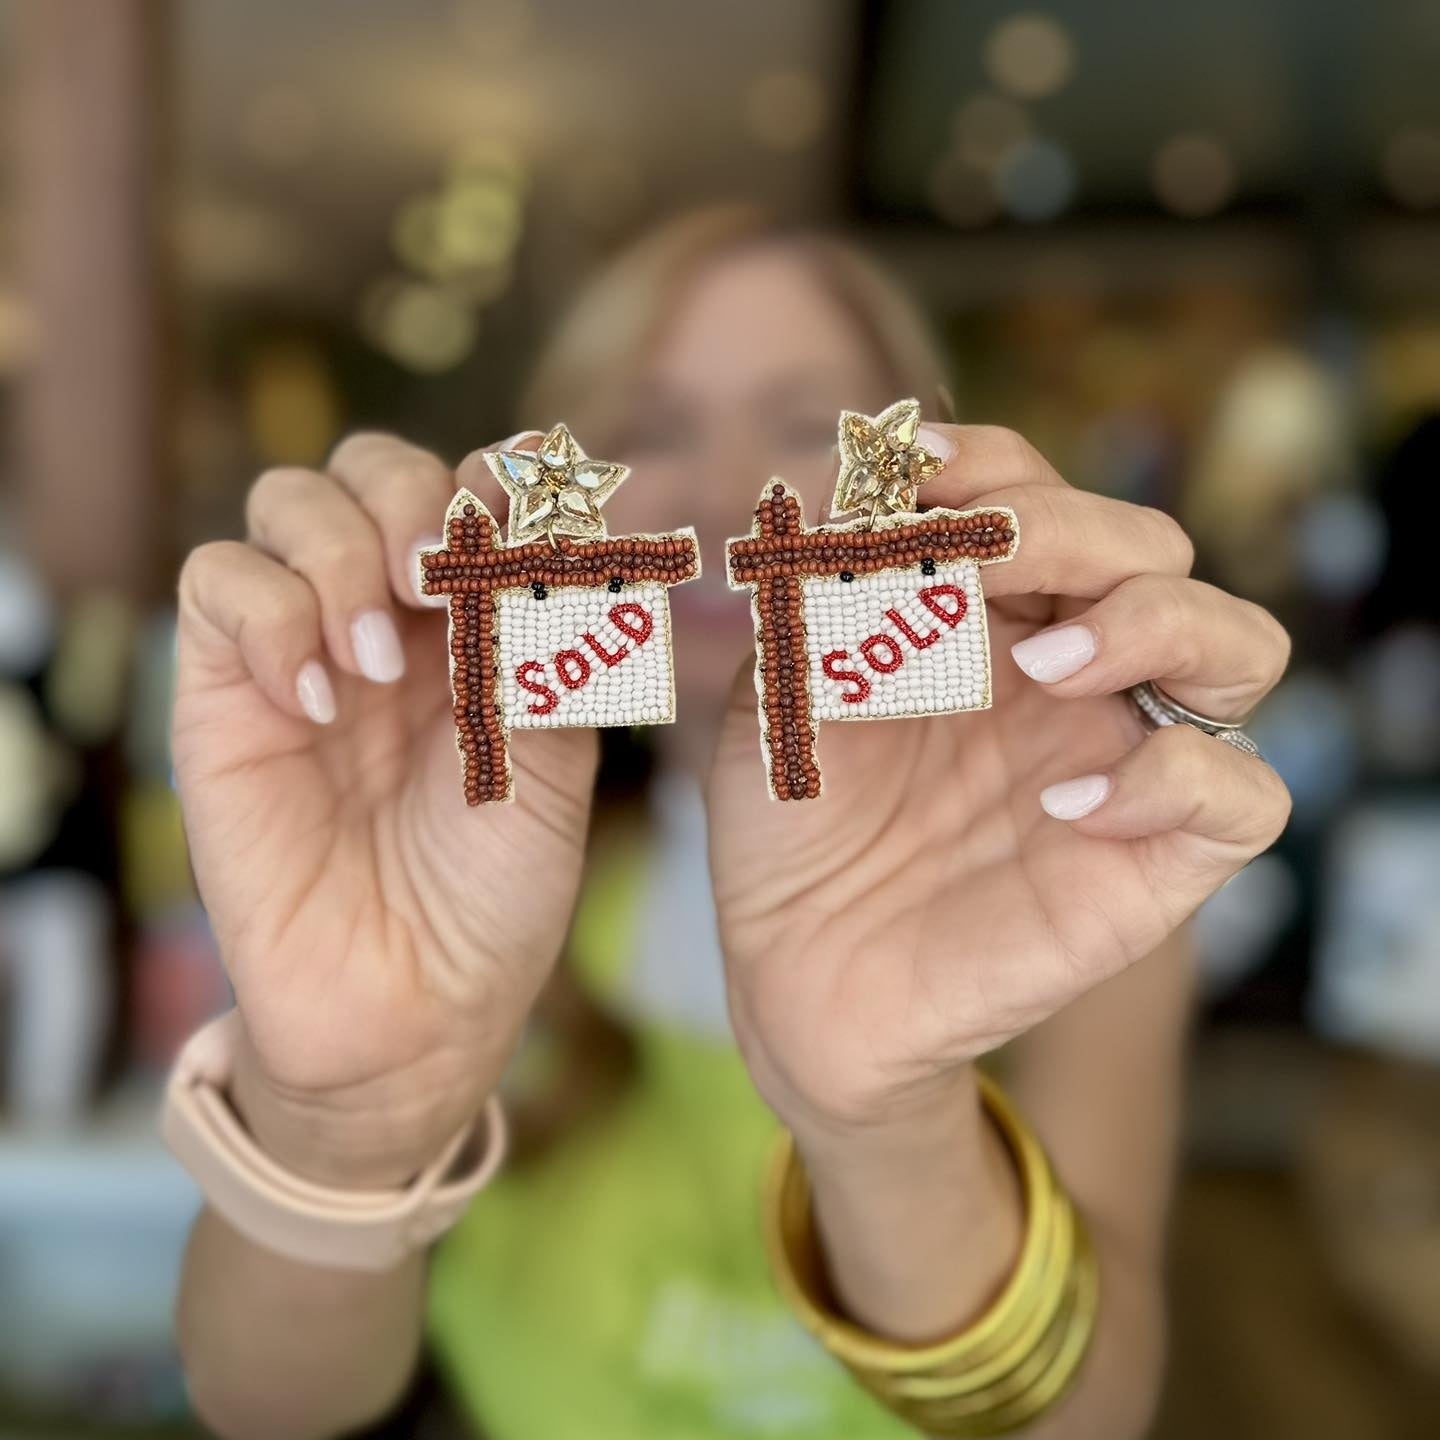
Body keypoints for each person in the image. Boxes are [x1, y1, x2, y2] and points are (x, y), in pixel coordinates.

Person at [169, 206, 1291, 1439]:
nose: (726, 491)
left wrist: (889, 1119)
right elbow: (267, 1408)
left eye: (810, 423)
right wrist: (341, 1129)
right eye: (653, 429)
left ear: (926, 471)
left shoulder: (1064, 862)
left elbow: (1094, 1415)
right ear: (554, 498)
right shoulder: (451, 863)